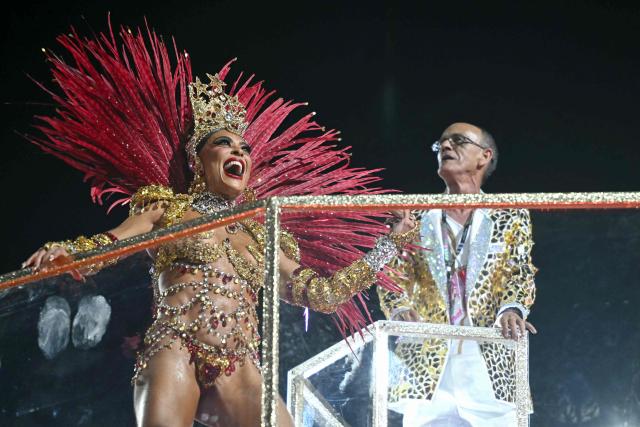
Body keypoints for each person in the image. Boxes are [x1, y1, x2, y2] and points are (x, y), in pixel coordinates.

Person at [21, 22, 417, 427]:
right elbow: (110, 245)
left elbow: (325, 294)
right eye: (223, 143)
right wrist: (66, 252)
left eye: (244, 148)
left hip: (239, 364)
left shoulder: (264, 235)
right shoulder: (168, 211)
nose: (238, 152)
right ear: (199, 161)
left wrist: (389, 245)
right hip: (175, 349)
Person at [378, 123, 537, 427]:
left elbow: (519, 272)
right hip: (425, 361)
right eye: (441, 145)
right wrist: (398, 307)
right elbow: (390, 274)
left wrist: (512, 309)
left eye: (458, 141)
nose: (446, 147)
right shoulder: (414, 215)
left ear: (484, 156)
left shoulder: (510, 214)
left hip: (489, 357)